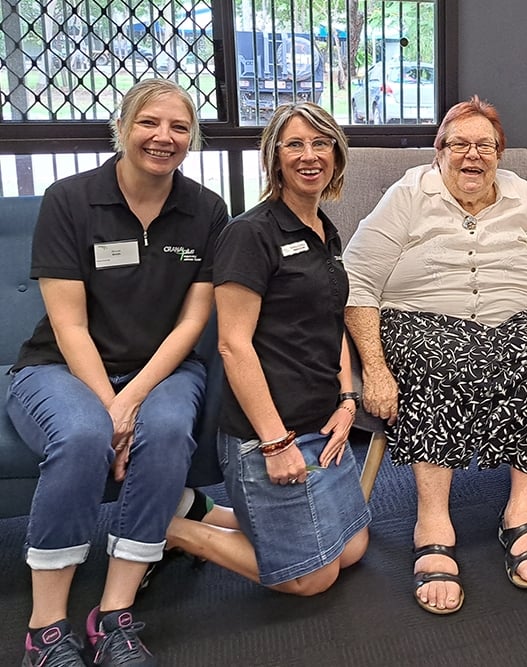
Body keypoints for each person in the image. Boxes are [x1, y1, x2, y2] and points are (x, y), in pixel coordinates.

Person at [6, 79, 229, 666]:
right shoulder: (70, 199)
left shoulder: (206, 209)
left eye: (180, 128)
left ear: (193, 138)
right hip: (62, 366)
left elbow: (192, 321)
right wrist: (112, 408)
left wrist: (135, 400)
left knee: (165, 434)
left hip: (165, 366)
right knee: (83, 437)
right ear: (123, 127)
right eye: (149, 123)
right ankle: (46, 630)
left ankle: (113, 617)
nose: (164, 137)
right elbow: (69, 326)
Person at [342, 95, 527, 614]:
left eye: (485, 146)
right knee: (442, 359)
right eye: (460, 145)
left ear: (499, 152)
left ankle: (519, 513)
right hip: (420, 321)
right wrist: (376, 368)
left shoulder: (525, 198)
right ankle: (432, 519)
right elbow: (357, 279)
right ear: (439, 151)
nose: (472, 156)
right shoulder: (409, 195)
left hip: (506, 320)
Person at [163, 101, 371, 597]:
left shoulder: (325, 229)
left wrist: (347, 400)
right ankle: (167, 528)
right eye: (294, 144)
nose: (309, 155)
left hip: (324, 424)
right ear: (274, 157)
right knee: (312, 578)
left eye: (321, 144)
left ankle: (209, 512)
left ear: (337, 157)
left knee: (354, 549)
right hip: (268, 433)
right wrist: (276, 443)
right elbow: (233, 346)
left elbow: (331, 322)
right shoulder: (248, 234)